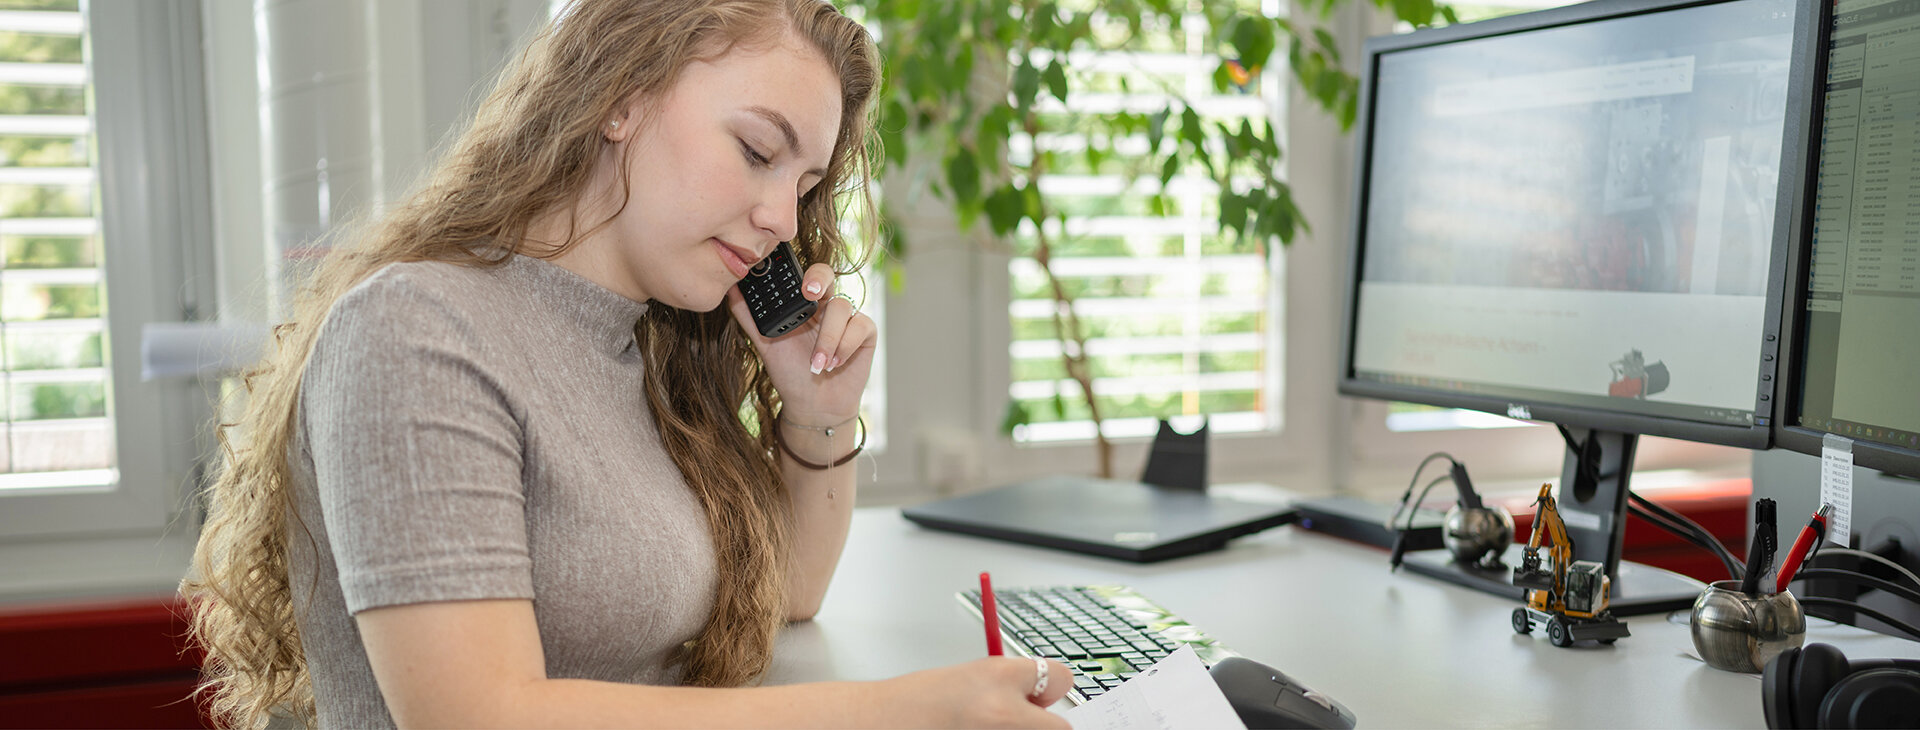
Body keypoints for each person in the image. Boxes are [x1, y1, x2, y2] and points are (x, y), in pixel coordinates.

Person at [180, 1, 1070, 727]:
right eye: (757, 151)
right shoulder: (414, 332)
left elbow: (788, 592)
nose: (783, 223)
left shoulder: (648, 344)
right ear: (620, 96)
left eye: (802, 186)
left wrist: (815, 412)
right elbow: (479, 716)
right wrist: (894, 714)